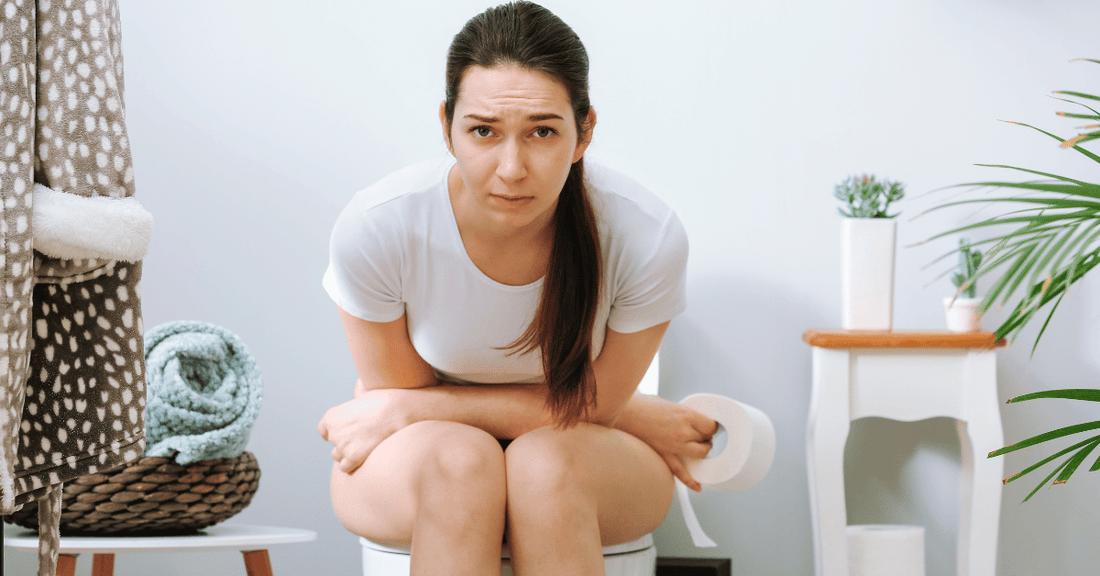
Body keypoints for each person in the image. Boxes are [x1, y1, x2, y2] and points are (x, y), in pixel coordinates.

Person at [317, 2, 718, 574]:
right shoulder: (380, 226)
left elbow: (410, 403)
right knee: (462, 462)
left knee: (543, 465)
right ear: (447, 126)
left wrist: (612, 411)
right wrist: (632, 414)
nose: (511, 167)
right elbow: (419, 412)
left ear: (584, 132)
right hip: (428, 455)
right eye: (483, 131)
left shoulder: (643, 234)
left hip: (578, 454)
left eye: (542, 132)